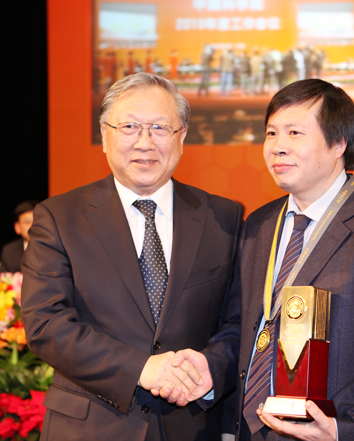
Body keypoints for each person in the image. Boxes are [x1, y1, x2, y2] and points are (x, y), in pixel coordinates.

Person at [202, 79, 354, 440]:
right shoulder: (259, 225)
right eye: (271, 133)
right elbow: (243, 327)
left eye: (295, 132)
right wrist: (208, 367)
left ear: (339, 143)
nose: (278, 146)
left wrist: (344, 426)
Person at [20, 73, 242, 441]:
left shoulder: (223, 217)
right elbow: (46, 323)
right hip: (90, 427)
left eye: (160, 128)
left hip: (191, 425)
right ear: (104, 135)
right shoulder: (59, 217)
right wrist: (140, 368)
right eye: (129, 127)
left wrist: (212, 365)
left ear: (182, 136)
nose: (145, 142)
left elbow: (240, 322)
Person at [0, 200, 37, 280]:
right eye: (27, 221)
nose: (33, 225)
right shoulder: (10, 251)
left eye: (37, 221)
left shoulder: (55, 248)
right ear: (17, 227)